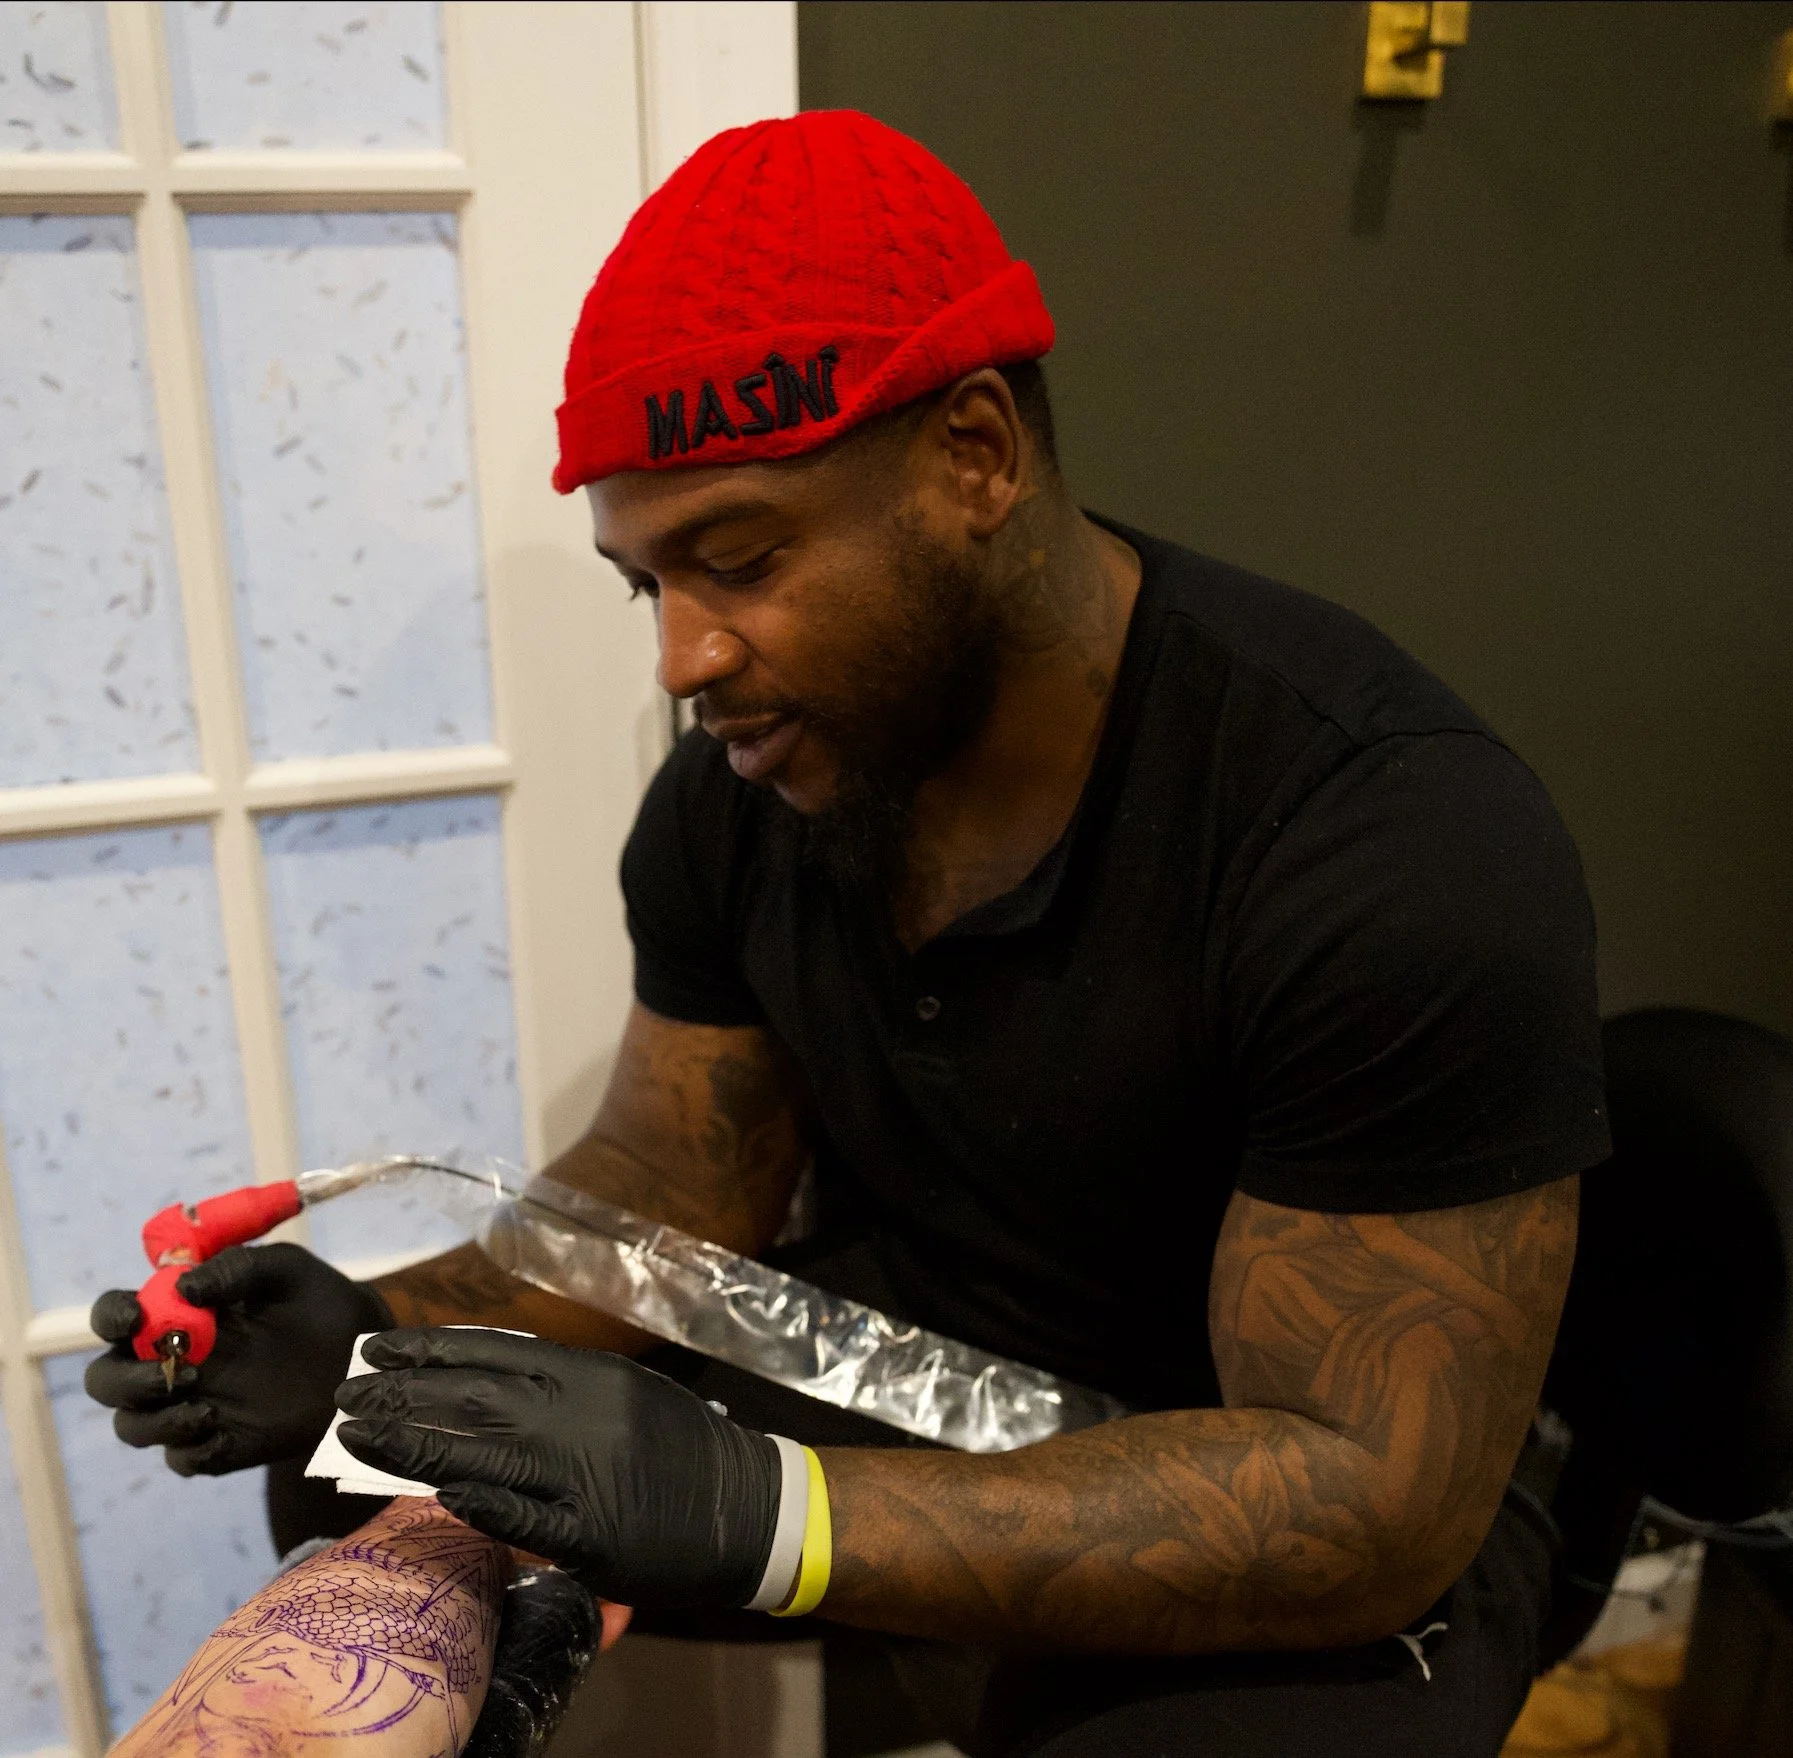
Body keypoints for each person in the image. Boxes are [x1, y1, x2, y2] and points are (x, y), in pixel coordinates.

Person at [86, 110, 1606, 1756]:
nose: (682, 657)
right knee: (373, 1473)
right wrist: (384, 1335)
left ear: (974, 456)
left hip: (1304, 1476)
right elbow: (674, 1191)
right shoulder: (753, 793)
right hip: (912, 1374)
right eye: (643, 584)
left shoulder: (1382, 834)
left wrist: (771, 1514)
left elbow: (1360, 1493)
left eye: (735, 559)